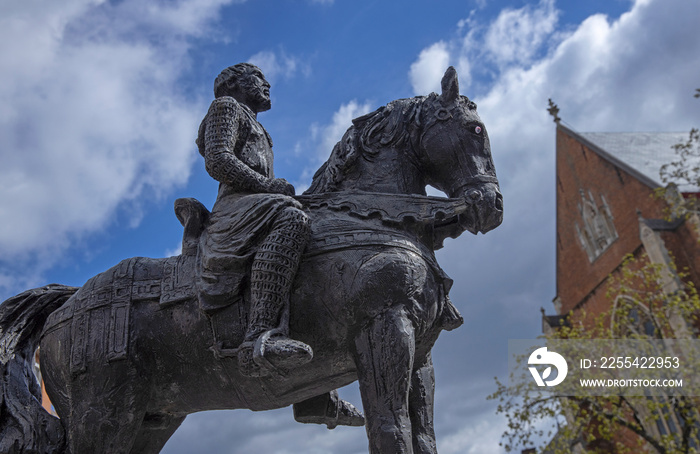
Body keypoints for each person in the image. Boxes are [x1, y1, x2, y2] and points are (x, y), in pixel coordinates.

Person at [196, 63, 313, 377]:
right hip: (236, 206)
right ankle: (258, 338)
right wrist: (268, 186)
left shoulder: (260, 128)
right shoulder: (227, 106)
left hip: (257, 201)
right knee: (293, 220)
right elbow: (218, 160)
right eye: (259, 77)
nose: (268, 83)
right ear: (234, 83)